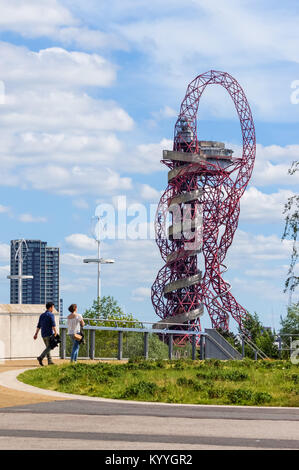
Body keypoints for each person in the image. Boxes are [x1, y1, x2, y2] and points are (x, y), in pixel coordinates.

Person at [34, 302, 58, 366]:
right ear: (50, 308)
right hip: (49, 334)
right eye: (53, 307)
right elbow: (53, 324)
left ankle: (50, 361)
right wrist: (55, 332)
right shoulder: (51, 315)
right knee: (50, 347)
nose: (53, 309)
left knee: (48, 348)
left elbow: (39, 325)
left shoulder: (42, 315)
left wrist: (36, 334)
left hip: (43, 334)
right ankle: (41, 357)